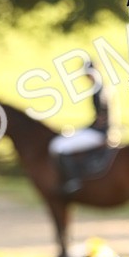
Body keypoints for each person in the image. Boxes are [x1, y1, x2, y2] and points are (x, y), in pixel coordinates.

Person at [48, 60, 113, 194]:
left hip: (99, 133)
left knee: (59, 146)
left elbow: (101, 119)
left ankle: (73, 180)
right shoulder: (103, 88)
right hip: (101, 130)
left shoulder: (98, 91)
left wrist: (82, 129)